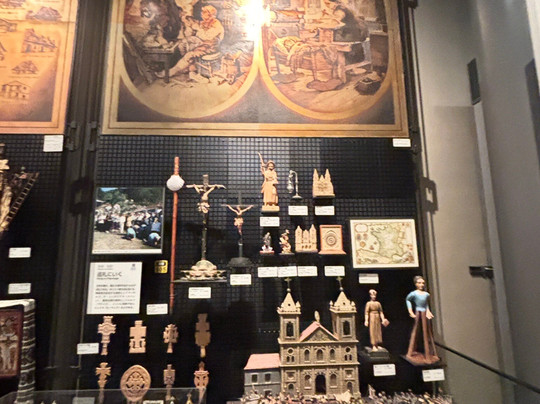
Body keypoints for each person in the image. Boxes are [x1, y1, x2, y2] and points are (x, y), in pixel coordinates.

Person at [158, 5, 224, 78]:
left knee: (189, 54)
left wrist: (197, 28)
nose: (201, 14)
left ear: (210, 14)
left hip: (211, 49)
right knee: (183, 44)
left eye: (204, 12)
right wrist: (188, 25)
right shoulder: (204, 22)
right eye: (202, 12)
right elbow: (193, 35)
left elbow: (206, 37)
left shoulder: (216, 25)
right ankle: (185, 66)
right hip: (202, 45)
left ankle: (170, 72)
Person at [405, 276, 439, 364]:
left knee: (426, 332)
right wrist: (410, 311)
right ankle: (411, 351)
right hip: (418, 312)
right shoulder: (414, 294)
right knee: (415, 330)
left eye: (423, 283)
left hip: (424, 313)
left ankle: (428, 355)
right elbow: (408, 300)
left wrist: (428, 311)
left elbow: (425, 304)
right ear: (416, 284)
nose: (421, 285)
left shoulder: (426, 294)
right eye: (419, 283)